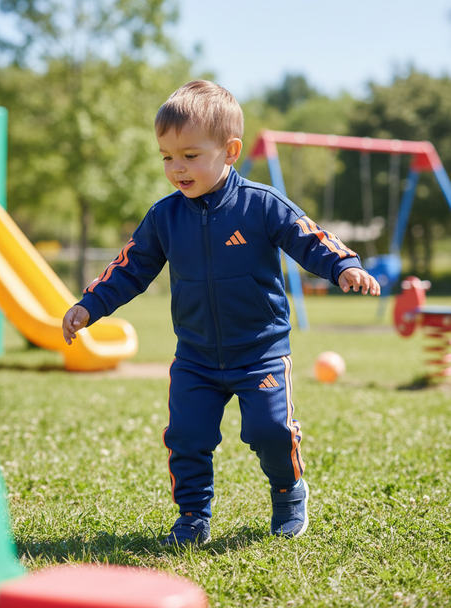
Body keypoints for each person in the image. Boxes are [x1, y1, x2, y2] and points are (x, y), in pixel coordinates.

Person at [62, 80, 380, 546]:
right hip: (196, 356)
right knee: (187, 437)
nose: (177, 168)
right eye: (167, 157)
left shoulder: (261, 204)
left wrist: (344, 265)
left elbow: (310, 237)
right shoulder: (165, 217)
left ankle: (289, 493)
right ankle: (192, 516)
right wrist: (89, 305)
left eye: (190, 155)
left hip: (261, 354)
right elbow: (129, 268)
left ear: (230, 151)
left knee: (270, 429)